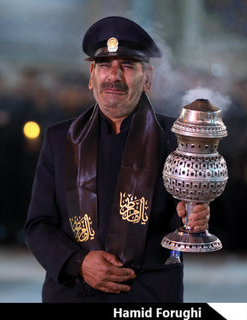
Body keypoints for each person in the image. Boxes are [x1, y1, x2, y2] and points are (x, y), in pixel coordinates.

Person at [24, 16, 210, 302]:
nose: (114, 76)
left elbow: (187, 225)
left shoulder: (179, 139)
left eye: (126, 66)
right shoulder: (59, 140)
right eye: (104, 66)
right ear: (91, 76)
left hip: (147, 296)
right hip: (73, 292)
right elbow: (39, 226)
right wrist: (79, 263)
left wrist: (194, 219)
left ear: (147, 78)